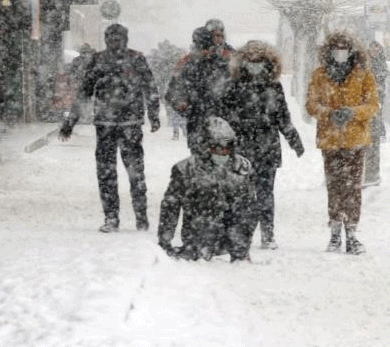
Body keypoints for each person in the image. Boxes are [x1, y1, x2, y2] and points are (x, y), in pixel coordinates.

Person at [60, 23, 160, 233]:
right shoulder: (98, 60)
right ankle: (112, 217)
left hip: (129, 123)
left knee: (135, 172)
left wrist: (153, 113)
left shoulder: (135, 59)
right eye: (111, 39)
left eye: (118, 38)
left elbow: (150, 87)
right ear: (106, 40)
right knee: (107, 172)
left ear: (125, 39)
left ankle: (140, 216)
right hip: (106, 124)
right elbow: (85, 92)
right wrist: (71, 121)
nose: (114, 43)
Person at [217, 40, 304, 250]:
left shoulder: (274, 86)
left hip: (267, 148)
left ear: (267, 63)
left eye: (259, 61)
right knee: (239, 193)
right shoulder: (233, 86)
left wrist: (294, 140)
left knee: (265, 192)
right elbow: (223, 117)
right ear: (243, 63)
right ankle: (236, 232)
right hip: (241, 148)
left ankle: (267, 233)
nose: (255, 65)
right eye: (251, 61)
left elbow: (283, 116)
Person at [305, 31, 379, 255]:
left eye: (343, 47)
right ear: (329, 51)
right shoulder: (319, 75)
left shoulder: (364, 75)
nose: (340, 52)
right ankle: (335, 232)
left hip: (356, 140)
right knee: (334, 187)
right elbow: (311, 104)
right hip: (330, 141)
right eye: (336, 48)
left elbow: (373, 105)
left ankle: (352, 233)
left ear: (352, 51)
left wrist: (353, 113)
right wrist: (329, 114)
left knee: (353, 188)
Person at [158, 116, 256, 262]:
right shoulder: (186, 169)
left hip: (234, 234)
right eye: (217, 147)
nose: (222, 152)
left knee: (245, 207)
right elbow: (171, 206)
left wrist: (242, 241)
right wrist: (165, 241)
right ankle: (201, 249)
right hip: (198, 233)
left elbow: (251, 207)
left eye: (227, 147)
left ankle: (238, 251)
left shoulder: (242, 167)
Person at [165, 27, 230, 155]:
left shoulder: (222, 64)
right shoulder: (189, 65)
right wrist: (185, 107)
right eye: (201, 46)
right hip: (204, 124)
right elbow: (172, 94)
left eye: (207, 45)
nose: (205, 50)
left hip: (211, 125)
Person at [363, 40, 387, 186]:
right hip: (367, 104)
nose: (374, 51)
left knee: (373, 139)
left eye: (377, 48)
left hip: (376, 104)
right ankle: (368, 174)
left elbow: (381, 81)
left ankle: (372, 174)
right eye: (372, 48)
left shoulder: (381, 64)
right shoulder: (364, 64)